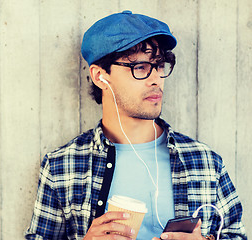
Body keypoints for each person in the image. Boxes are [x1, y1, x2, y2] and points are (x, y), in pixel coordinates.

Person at [25, 11, 247, 240]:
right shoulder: (63, 165)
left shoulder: (205, 162)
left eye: (160, 66)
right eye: (140, 67)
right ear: (100, 76)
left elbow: (236, 234)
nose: (156, 79)